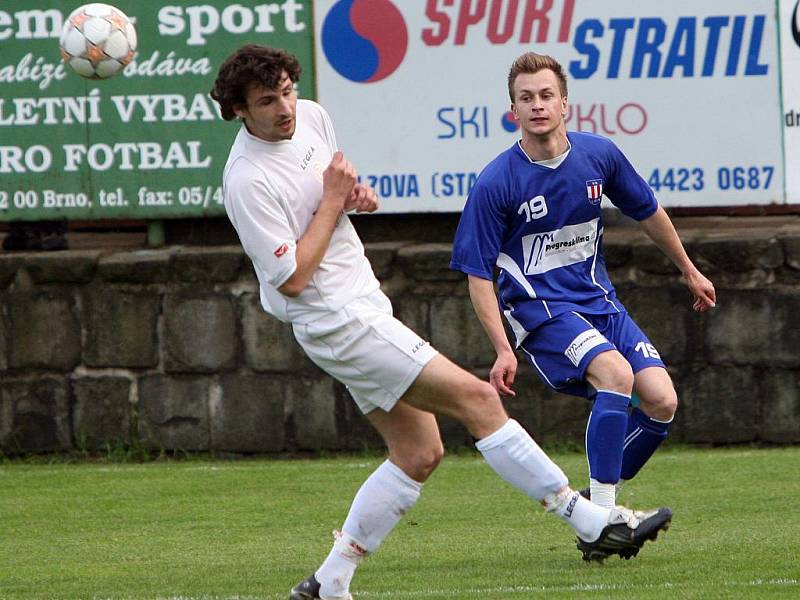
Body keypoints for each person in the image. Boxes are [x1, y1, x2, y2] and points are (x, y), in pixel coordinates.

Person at [210, 45, 672, 600]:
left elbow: (330, 202)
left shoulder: (311, 117)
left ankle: (330, 581)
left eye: (287, 90)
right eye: (268, 100)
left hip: (364, 305)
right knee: (479, 400)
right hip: (337, 320)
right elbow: (291, 279)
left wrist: (353, 198)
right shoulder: (246, 180)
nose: (285, 107)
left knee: (419, 453)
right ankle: (591, 520)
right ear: (239, 109)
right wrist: (334, 202)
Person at [451, 52, 717, 511]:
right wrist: (501, 347)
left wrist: (689, 269)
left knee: (661, 400)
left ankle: (592, 504)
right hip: (540, 311)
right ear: (513, 111)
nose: (537, 105)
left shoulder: (599, 155)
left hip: (599, 303)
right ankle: (606, 518)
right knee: (616, 374)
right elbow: (478, 275)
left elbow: (647, 212)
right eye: (526, 98)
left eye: (546, 95)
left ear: (565, 104)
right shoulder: (496, 182)